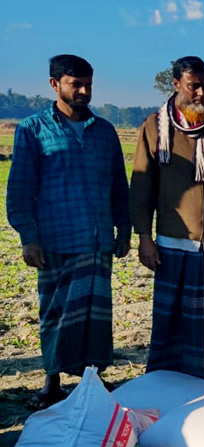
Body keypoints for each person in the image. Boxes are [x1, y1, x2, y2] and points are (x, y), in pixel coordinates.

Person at [7, 55, 130, 409]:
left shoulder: (104, 131)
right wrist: (28, 237)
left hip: (96, 241)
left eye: (88, 84)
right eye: (76, 84)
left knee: (95, 315)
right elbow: (19, 189)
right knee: (56, 314)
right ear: (54, 84)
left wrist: (124, 229)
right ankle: (51, 383)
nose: (84, 91)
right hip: (55, 240)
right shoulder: (32, 129)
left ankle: (91, 380)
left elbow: (118, 186)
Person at [130, 56, 204, 379]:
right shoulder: (155, 128)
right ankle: (167, 382)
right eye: (194, 86)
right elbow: (141, 186)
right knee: (172, 322)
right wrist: (144, 237)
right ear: (176, 85)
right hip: (173, 243)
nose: (201, 92)